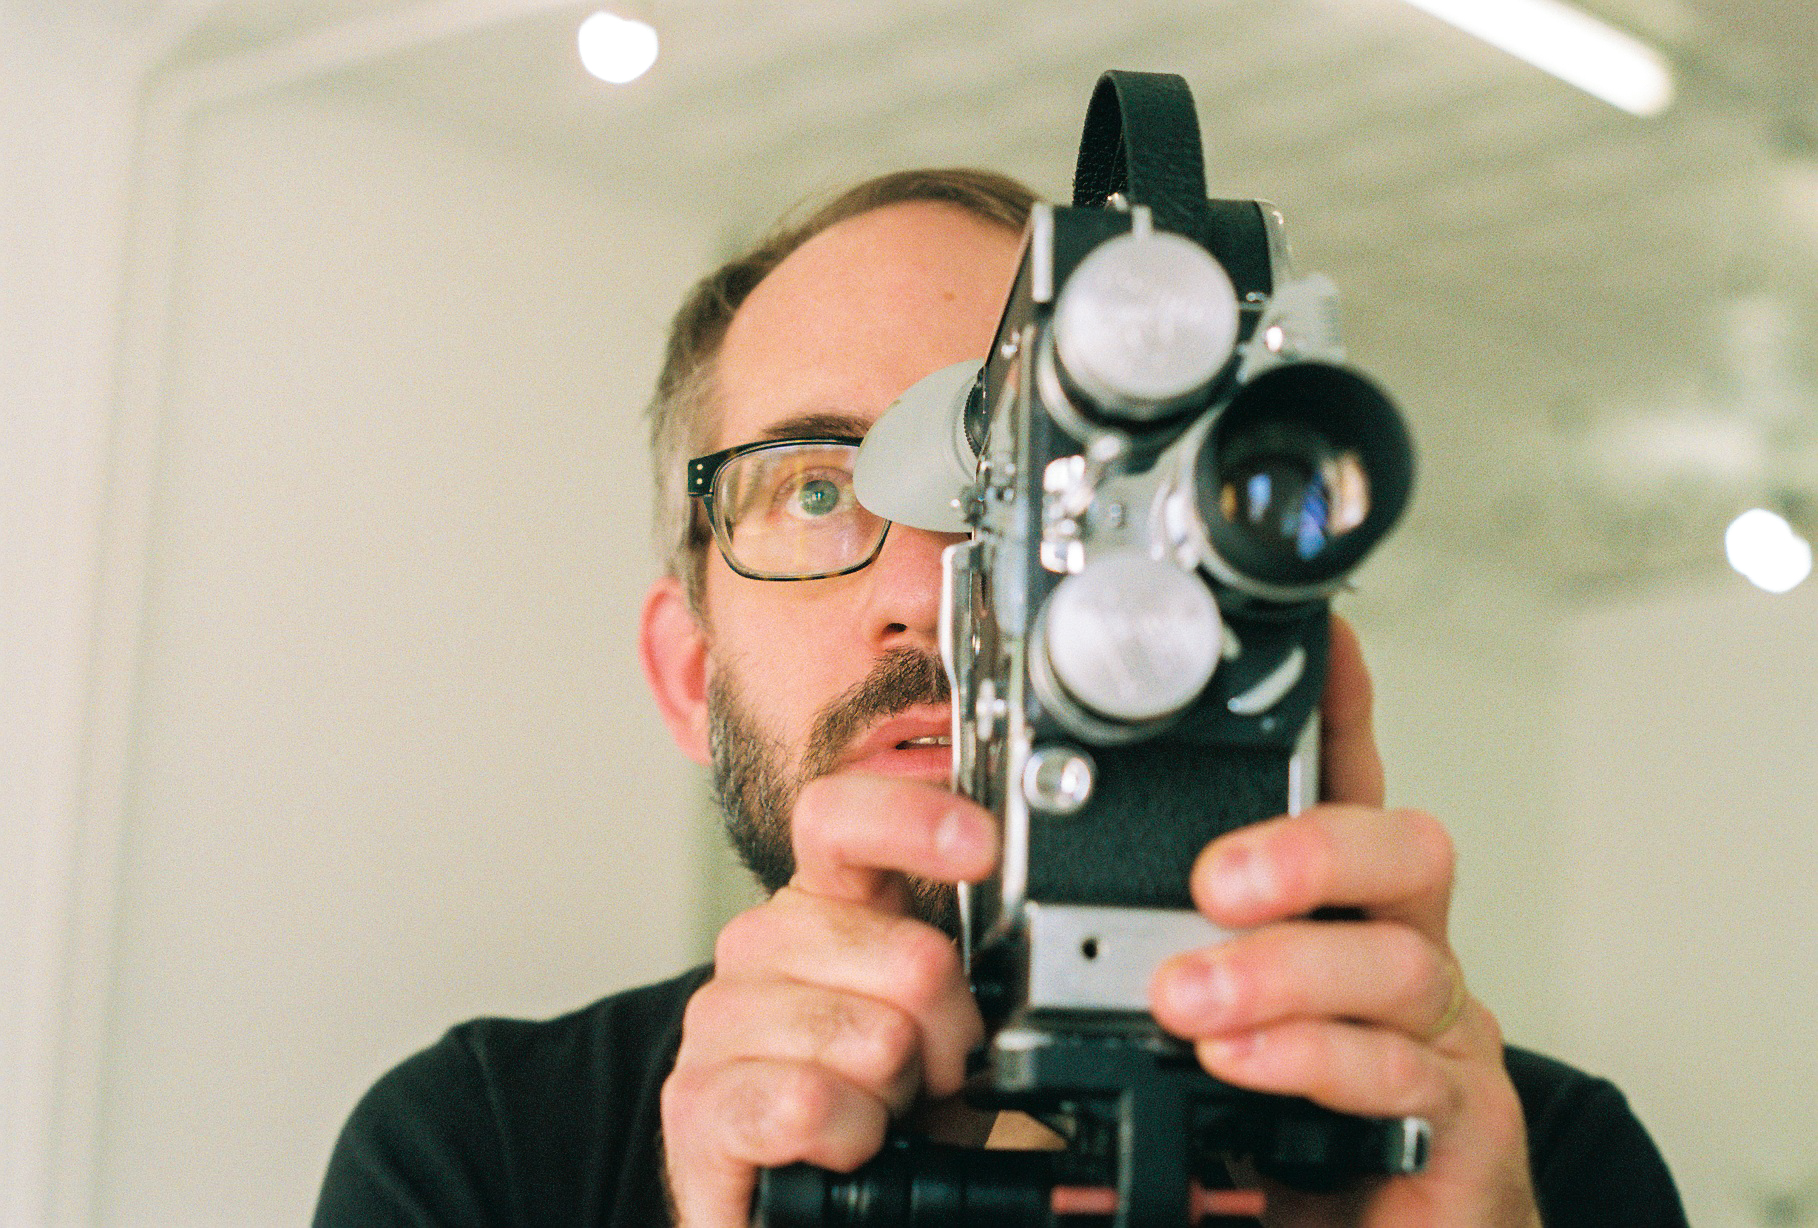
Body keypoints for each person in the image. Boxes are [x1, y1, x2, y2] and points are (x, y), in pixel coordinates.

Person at [313, 169, 1688, 1228]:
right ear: (689, 673)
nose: (925, 586)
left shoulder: (1524, 1159)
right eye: (809, 486)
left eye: (1021, 482)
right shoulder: (484, 1149)